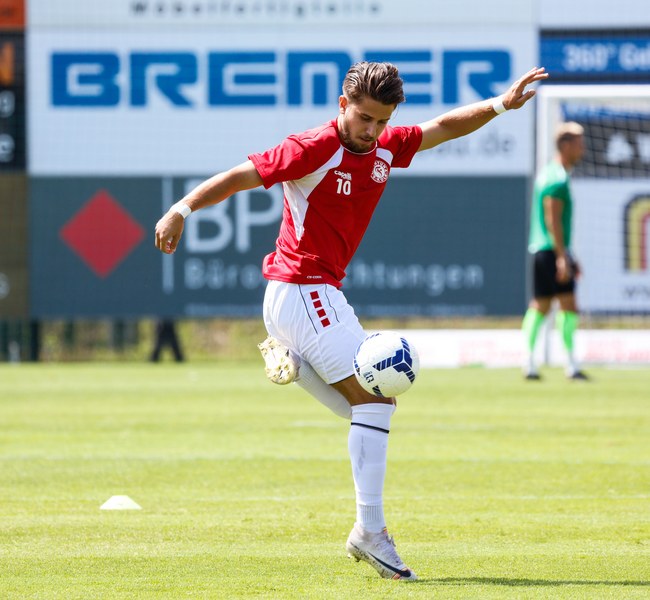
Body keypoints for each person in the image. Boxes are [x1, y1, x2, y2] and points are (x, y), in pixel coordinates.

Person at [155, 62, 548, 580]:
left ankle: (297, 364)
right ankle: (370, 532)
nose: (372, 130)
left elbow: (443, 127)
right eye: (364, 118)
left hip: (312, 296)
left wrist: (500, 104)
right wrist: (182, 209)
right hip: (303, 289)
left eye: (382, 121)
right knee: (375, 401)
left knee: (370, 408)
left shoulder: (384, 146)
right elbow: (240, 176)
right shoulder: (312, 147)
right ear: (343, 105)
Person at [522, 121, 588, 381]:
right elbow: (553, 220)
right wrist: (563, 257)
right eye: (579, 143)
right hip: (551, 251)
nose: (583, 148)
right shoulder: (556, 178)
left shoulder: (551, 173)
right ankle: (570, 365)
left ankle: (529, 363)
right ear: (565, 145)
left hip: (544, 250)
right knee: (568, 305)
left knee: (540, 306)